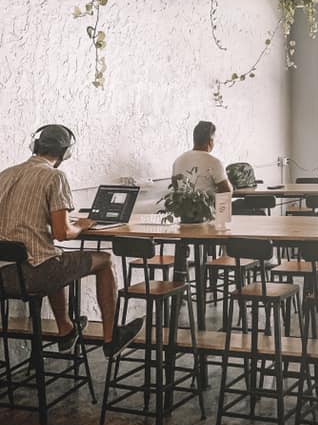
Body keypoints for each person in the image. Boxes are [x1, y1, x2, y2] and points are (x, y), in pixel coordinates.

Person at [0, 124, 143, 356]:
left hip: (5, 276)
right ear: (66, 153)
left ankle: (66, 330)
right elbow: (62, 233)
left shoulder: (5, 174)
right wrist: (81, 225)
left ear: (35, 145)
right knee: (104, 260)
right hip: (34, 276)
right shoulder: (54, 177)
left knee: (54, 256)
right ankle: (111, 337)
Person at [172, 120, 232, 195]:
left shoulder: (178, 160)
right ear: (210, 141)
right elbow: (226, 193)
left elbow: (175, 188)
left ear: (194, 139)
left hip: (182, 206)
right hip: (207, 206)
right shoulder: (214, 162)